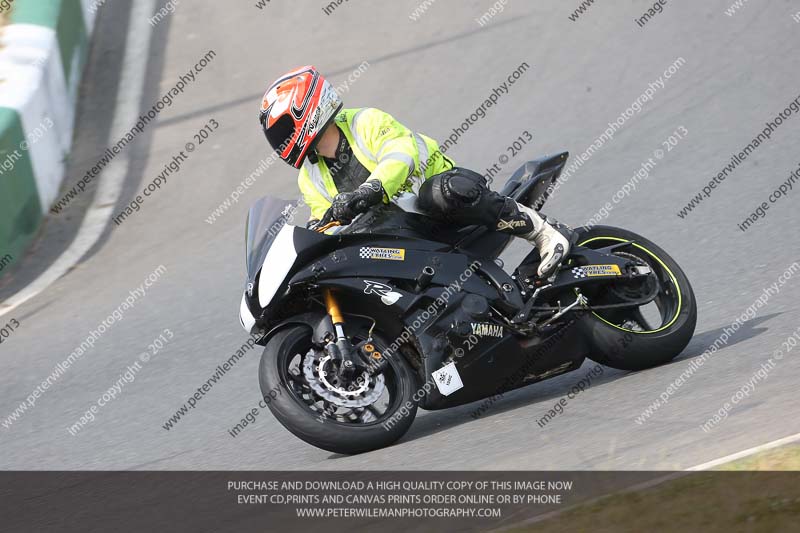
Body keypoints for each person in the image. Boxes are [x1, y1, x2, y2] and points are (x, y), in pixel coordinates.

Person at [259, 66, 573, 278]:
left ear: (308, 109)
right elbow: (324, 220)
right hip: (397, 233)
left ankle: (544, 232)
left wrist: (369, 190)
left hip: (442, 208)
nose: (281, 140)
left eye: (284, 128)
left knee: (441, 192)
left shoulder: (365, 121)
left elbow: (401, 154)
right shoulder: (310, 176)